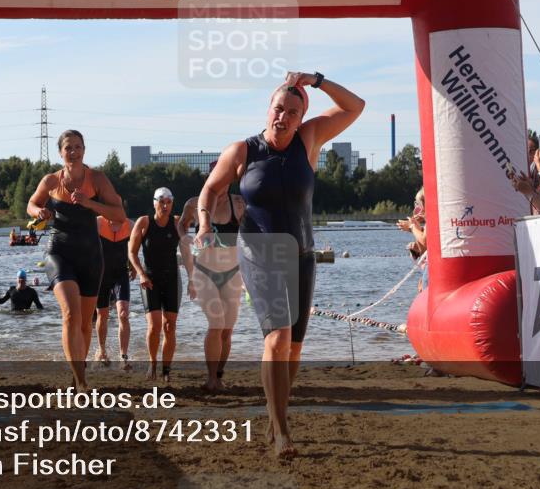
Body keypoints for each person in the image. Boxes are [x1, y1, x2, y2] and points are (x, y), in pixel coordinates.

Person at [196, 70, 364, 458]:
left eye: (292, 111)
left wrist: (317, 81)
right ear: (267, 109)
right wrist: (204, 222)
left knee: (294, 348)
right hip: (259, 249)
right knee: (278, 338)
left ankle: (275, 423)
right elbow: (210, 189)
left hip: (303, 253)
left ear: (301, 117)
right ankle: (283, 433)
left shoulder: (309, 139)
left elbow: (356, 107)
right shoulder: (243, 151)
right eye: (278, 108)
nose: (283, 116)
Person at [28, 130, 125, 391]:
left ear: (84, 150)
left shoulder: (98, 179)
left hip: (91, 256)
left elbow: (119, 215)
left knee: (84, 323)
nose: (74, 152)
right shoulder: (51, 180)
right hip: (59, 252)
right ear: (60, 152)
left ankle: (76, 373)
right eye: (68, 148)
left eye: (78, 147)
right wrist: (40, 211)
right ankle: (82, 382)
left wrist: (90, 204)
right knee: (70, 314)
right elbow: (31, 204)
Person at [178, 162, 247, 392]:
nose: (223, 181)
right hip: (204, 272)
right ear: (211, 177)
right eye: (218, 176)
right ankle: (210, 378)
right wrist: (187, 243)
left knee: (228, 329)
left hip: (233, 272)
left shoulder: (238, 204)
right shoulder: (194, 203)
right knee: (216, 324)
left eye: (227, 177)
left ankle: (219, 375)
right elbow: (182, 226)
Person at [129, 187, 192, 383]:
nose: (165, 206)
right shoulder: (144, 222)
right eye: (161, 202)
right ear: (154, 203)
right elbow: (131, 252)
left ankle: (166, 369)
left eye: (169, 202)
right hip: (150, 280)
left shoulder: (176, 223)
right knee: (154, 326)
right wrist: (140, 274)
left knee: (169, 326)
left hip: (172, 279)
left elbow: (188, 253)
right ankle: (152, 363)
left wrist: (192, 279)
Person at [94, 214, 135, 369]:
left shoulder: (129, 224)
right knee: (102, 315)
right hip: (101, 276)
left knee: (123, 314)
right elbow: (86, 244)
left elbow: (135, 245)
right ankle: (102, 350)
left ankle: (123, 356)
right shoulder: (98, 223)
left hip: (121, 275)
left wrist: (134, 263)